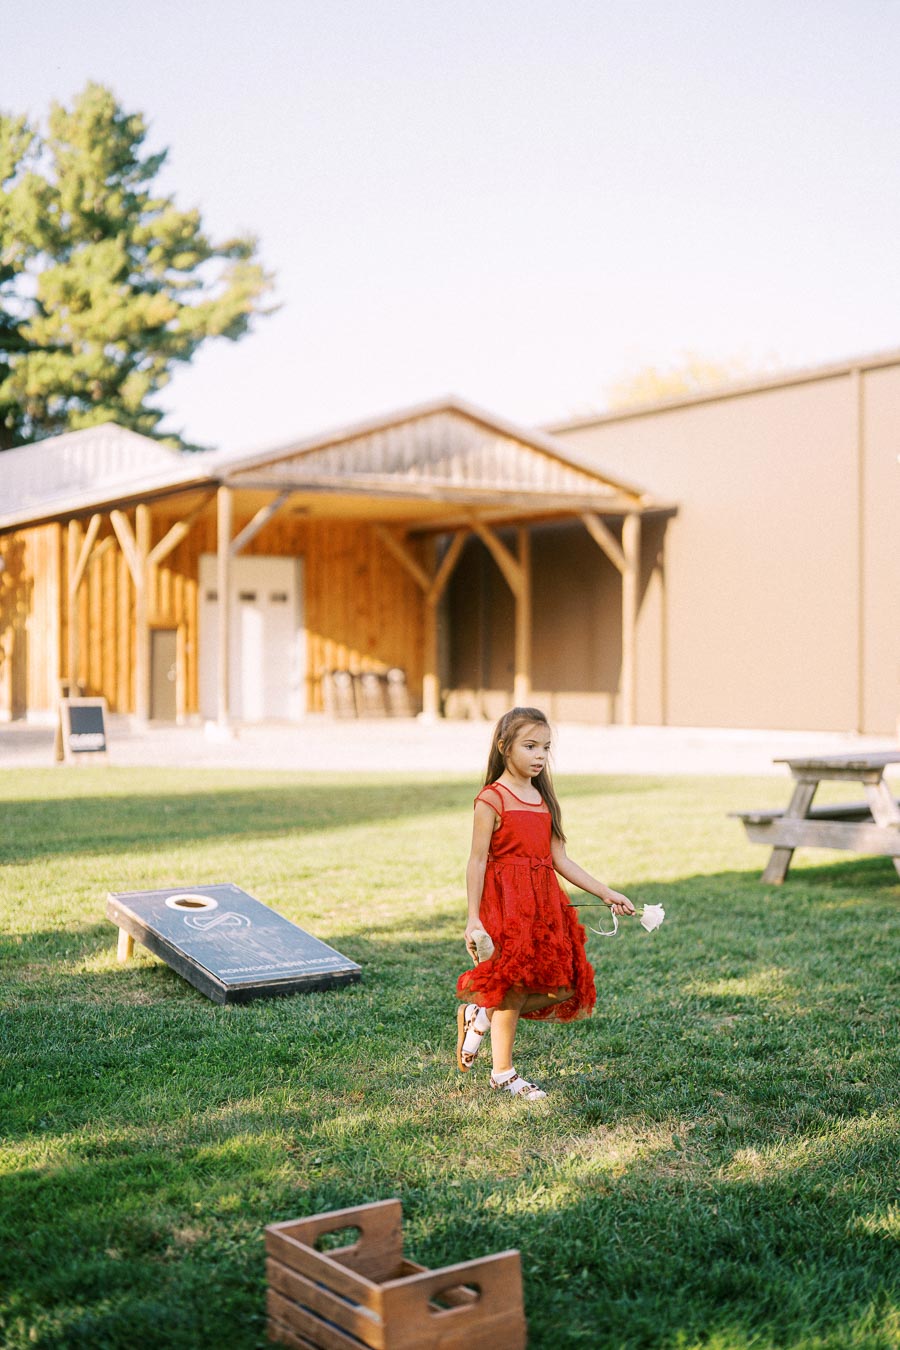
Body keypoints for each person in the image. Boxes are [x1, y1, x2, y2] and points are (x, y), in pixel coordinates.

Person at [456, 706, 634, 1100]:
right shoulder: (492, 799)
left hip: (544, 903)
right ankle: (503, 1072)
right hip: (505, 904)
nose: (539, 755)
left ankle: (482, 1012)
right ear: (505, 747)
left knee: (565, 986)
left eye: (545, 748)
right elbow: (477, 860)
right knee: (513, 986)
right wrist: (473, 919)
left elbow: (561, 860)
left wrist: (605, 892)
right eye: (530, 745)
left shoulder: (543, 799)